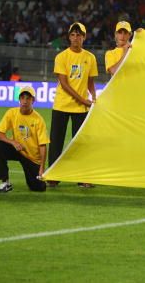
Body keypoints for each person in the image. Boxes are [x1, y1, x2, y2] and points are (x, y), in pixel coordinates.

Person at [48, 22, 98, 188]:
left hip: (81, 108)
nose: (76, 38)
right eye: (73, 35)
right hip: (62, 105)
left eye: (79, 35)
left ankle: (82, 177)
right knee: (56, 142)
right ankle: (53, 177)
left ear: (84, 37)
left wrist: (94, 96)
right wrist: (83, 100)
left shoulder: (90, 58)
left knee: (80, 144)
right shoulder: (61, 57)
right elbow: (64, 84)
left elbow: (90, 81)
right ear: (69, 37)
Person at [0, 86, 49, 192]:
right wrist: (13, 142)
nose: (25, 101)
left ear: (33, 100)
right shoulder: (12, 113)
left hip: (32, 158)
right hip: (18, 149)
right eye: (22, 98)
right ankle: (5, 182)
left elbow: (43, 145)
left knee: (38, 188)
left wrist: (42, 167)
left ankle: (39, 179)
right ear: (19, 99)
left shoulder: (38, 120)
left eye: (28, 98)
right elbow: (0, 134)